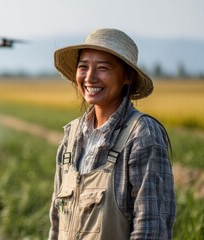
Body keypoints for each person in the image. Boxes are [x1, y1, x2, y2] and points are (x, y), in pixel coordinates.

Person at [48, 28, 176, 239]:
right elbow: (56, 222)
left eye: (103, 68)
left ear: (128, 76)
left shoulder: (142, 135)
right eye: (83, 67)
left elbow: (151, 227)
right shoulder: (71, 136)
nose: (90, 77)